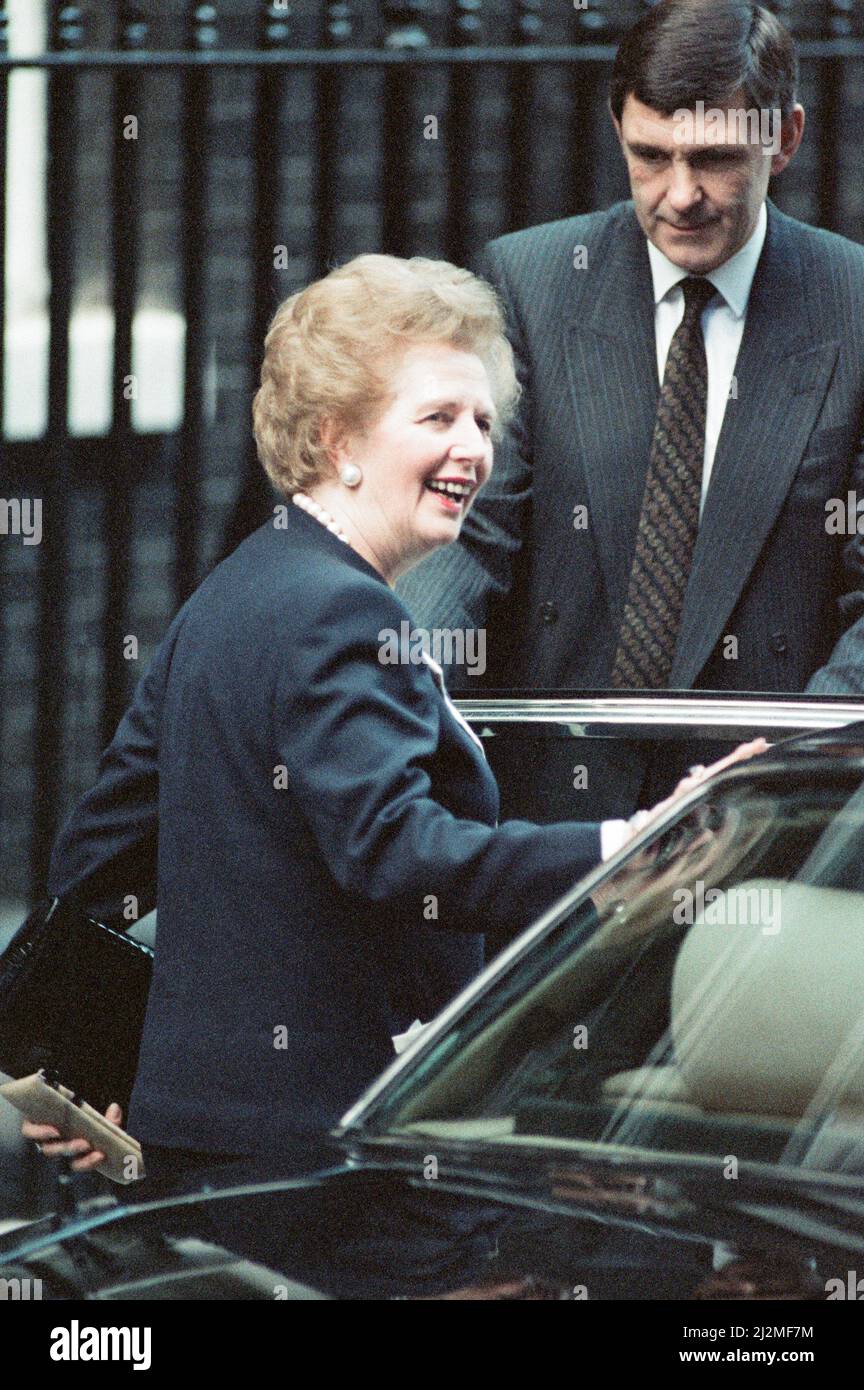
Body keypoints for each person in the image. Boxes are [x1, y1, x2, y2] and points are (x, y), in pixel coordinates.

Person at [21, 253, 765, 1198]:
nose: (475, 451)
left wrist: (100, 1073)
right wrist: (637, 844)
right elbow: (400, 854)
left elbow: (94, 856)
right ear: (338, 439)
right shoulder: (346, 613)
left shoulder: (237, 588)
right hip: (316, 1151)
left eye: (484, 422)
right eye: (437, 418)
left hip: (195, 1133)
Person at [397, 0, 864, 822]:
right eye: (650, 156)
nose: (679, 196)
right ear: (618, 130)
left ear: (784, 138)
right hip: (549, 825)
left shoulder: (852, 306)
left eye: (715, 158)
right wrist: (398, 685)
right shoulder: (532, 283)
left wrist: (779, 774)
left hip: (770, 828)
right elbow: (469, 536)